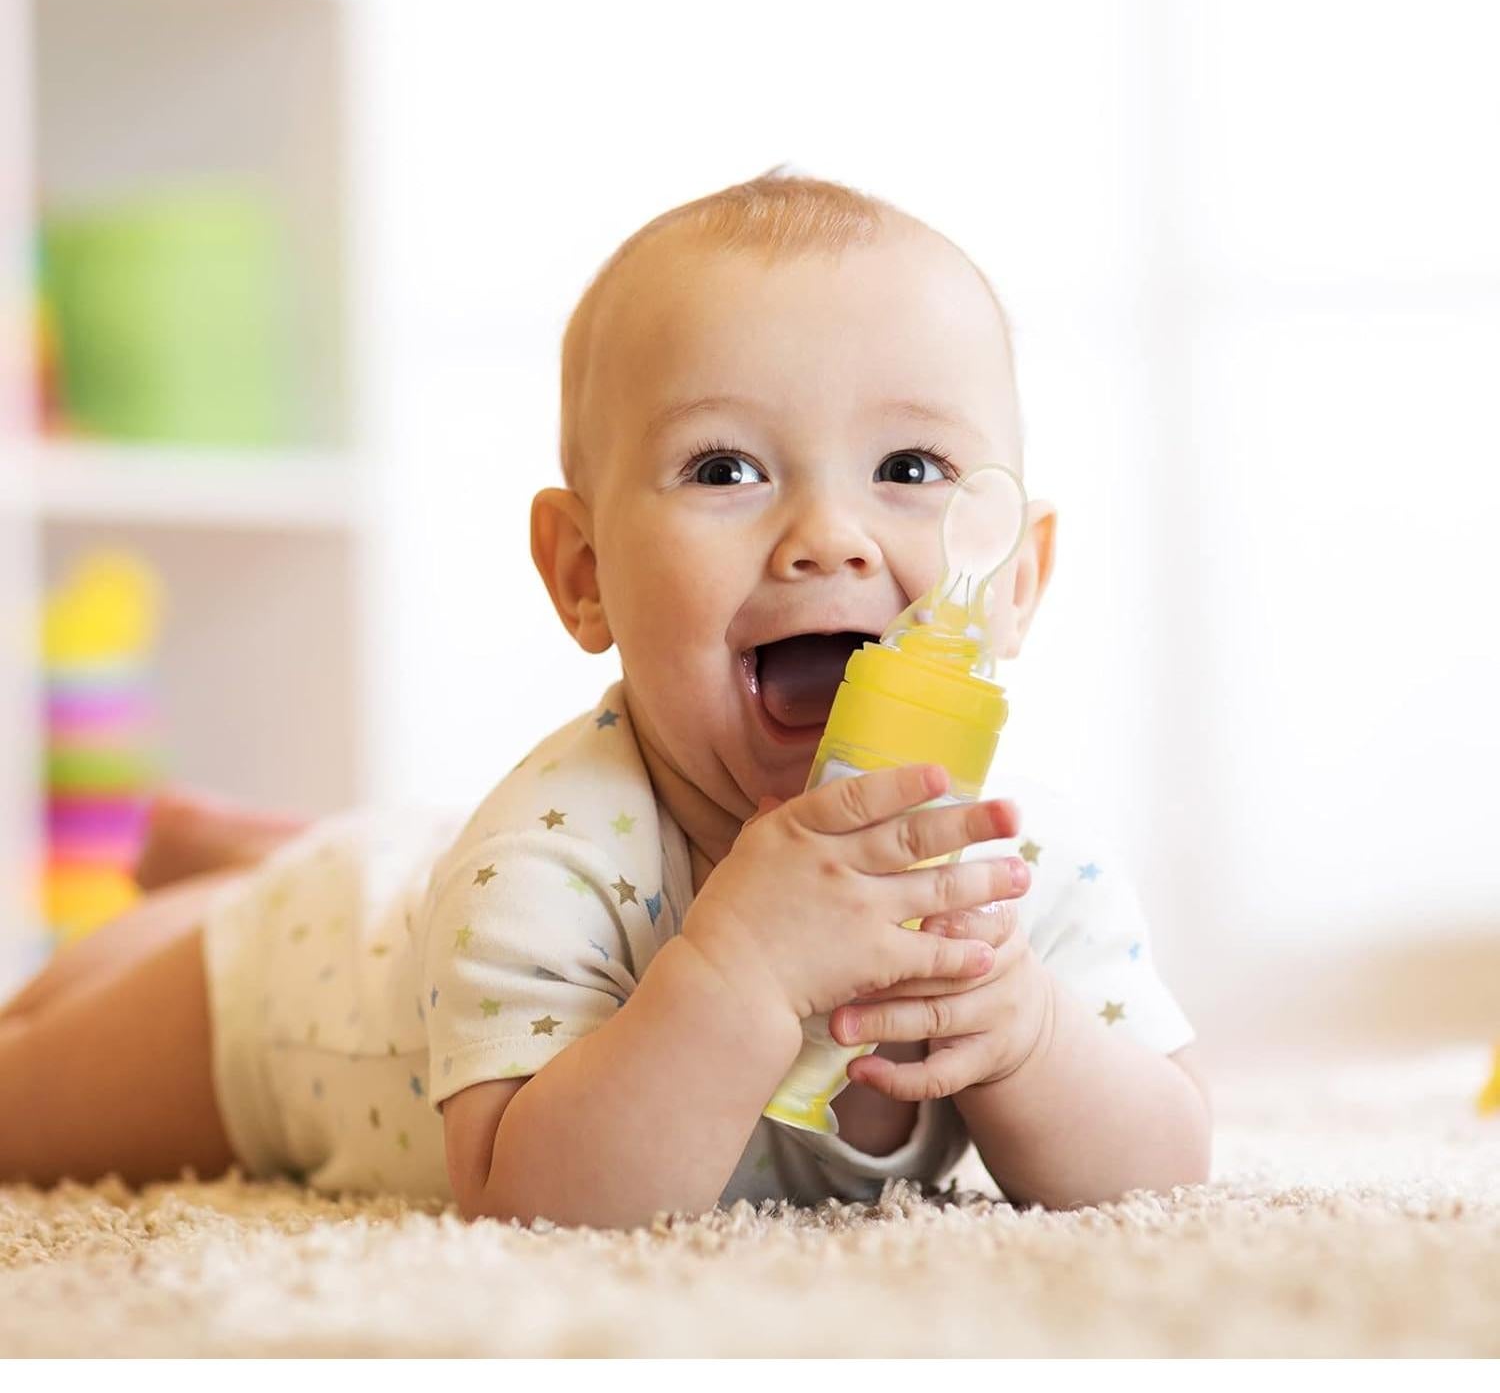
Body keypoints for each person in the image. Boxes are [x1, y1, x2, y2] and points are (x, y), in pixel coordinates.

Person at [0, 172, 1211, 1226]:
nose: (829, 536)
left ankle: (272, 842)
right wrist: (736, 970)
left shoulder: (1018, 868)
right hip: (306, 985)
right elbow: (535, 1201)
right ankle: (268, 875)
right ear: (584, 575)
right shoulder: (551, 854)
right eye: (726, 468)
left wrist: (1035, 1036)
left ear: (1020, 578)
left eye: (910, 469)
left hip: (441, 893)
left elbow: (1167, 1163)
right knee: (26, 1100)